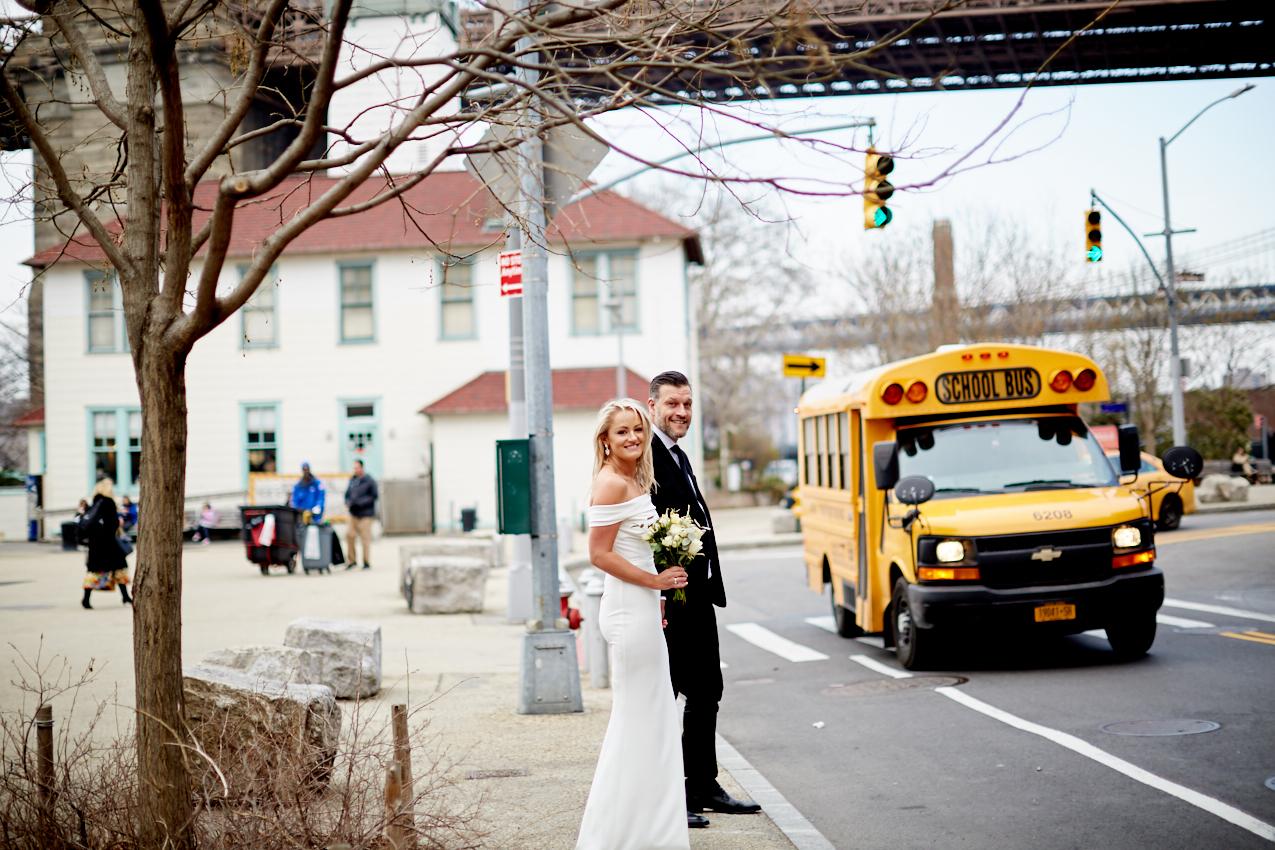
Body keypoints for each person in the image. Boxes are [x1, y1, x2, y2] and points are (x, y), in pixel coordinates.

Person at [647, 371, 761, 827]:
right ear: (651, 404)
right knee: (667, 696)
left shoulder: (677, 454)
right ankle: (671, 796)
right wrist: (656, 590)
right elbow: (641, 530)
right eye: (673, 404)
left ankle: (703, 785)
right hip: (670, 602)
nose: (681, 413)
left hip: (698, 598)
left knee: (706, 692)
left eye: (687, 405)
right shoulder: (647, 456)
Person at [576, 399, 690, 850]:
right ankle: (620, 833)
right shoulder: (609, 484)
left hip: (642, 607)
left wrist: (656, 592)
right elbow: (599, 555)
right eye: (622, 432)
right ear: (605, 439)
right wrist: (654, 581)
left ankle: (651, 828)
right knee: (638, 719)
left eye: (638, 431)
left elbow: (634, 546)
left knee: (654, 717)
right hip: (626, 610)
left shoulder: (633, 479)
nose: (633, 439)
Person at [78, 479, 132, 609]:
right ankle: (125, 596)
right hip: (109, 544)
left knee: (94, 571)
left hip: (95, 545)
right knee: (119, 569)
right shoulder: (109, 503)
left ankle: (86, 599)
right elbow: (112, 525)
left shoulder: (95, 503)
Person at [343, 459, 378, 570]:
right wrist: (348, 502)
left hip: (366, 514)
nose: (355, 470)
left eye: (357, 467)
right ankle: (352, 561)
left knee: (365, 538)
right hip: (353, 514)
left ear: (362, 468)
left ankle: (366, 562)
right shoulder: (353, 480)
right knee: (349, 535)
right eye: (354, 468)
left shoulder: (369, 480)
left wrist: (359, 503)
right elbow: (347, 494)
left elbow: (374, 496)